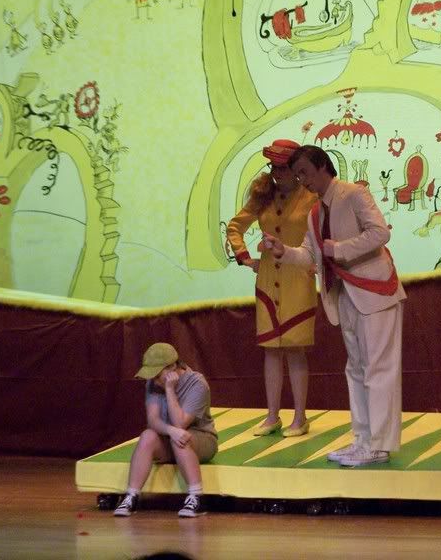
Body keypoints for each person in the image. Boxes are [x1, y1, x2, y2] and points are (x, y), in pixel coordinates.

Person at [262, 145, 406, 466]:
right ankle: (363, 440)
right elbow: (310, 254)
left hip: (376, 292)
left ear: (323, 166)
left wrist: (339, 249)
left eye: (304, 172)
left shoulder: (353, 194)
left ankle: (379, 445)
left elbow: (380, 233)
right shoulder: (315, 212)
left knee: (378, 370)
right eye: (298, 175)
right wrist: (283, 251)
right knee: (356, 369)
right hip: (344, 295)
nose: (302, 180)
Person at [227, 139, 318, 437]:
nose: (277, 174)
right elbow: (235, 227)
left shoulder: (312, 197)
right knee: (270, 350)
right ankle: (271, 416)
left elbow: (325, 232)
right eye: (273, 167)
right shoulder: (262, 195)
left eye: (283, 168)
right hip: (267, 280)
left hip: (298, 279)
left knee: (295, 348)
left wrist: (321, 262)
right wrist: (245, 258)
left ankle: (300, 417)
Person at [113, 343, 218, 518]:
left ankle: (197, 497)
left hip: (202, 439)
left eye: (156, 375)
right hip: (170, 437)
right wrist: (170, 431)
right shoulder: (153, 383)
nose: (153, 380)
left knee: (180, 438)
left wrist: (170, 390)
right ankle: (132, 496)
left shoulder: (197, 384)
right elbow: (153, 420)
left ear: (172, 367)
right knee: (147, 436)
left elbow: (180, 423)